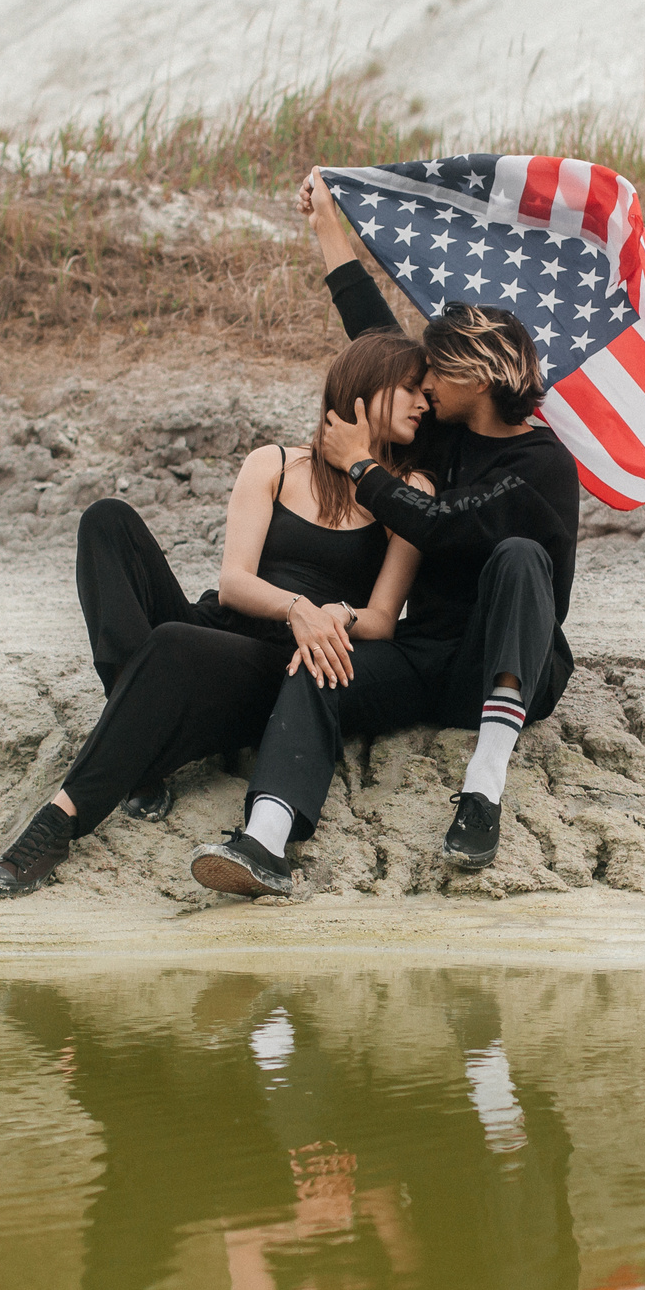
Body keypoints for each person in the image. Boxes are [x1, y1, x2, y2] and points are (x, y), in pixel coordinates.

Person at [185, 171, 583, 900]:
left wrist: (359, 466)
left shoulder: (543, 465)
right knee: (321, 660)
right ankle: (265, 839)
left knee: (520, 558)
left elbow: (445, 526)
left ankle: (482, 790)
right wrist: (328, 226)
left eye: (436, 369)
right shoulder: (440, 436)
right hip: (423, 659)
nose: (422, 381)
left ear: (478, 371)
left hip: (505, 671)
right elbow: (369, 329)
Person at [0, 332, 434, 894]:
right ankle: (142, 755)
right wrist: (295, 606)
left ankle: (58, 823)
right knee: (107, 519)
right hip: (220, 627)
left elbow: (385, 617)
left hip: (277, 667)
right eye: (412, 389)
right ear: (367, 389)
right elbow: (235, 583)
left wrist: (329, 616)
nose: (424, 404)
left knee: (172, 643)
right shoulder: (275, 463)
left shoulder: (407, 490)